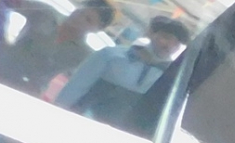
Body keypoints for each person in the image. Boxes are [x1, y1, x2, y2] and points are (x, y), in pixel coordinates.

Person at [56, 14, 189, 129]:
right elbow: (76, 87)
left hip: (119, 138)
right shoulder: (112, 56)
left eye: (176, 43)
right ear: (151, 33)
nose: (169, 45)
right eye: (165, 37)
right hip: (79, 123)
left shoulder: (169, 78)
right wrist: (57, 114)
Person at [0, 0, 113, 96]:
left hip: (24, 94)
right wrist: (0, 37)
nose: (79, 18)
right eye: (81, 11)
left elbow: (88, 85)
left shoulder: (83, 55)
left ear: (97, 29)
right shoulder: (45, 13)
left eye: (88, 19)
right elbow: (7, 2)